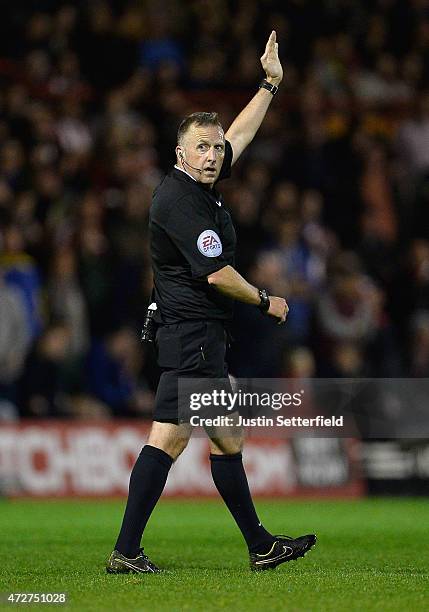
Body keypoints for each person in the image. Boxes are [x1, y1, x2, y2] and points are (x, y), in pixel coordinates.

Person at [107, 32, 316, 574]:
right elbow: (219, 274)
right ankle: (127, 551)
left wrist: (271, 83)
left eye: (216, 147)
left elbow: (240, 134)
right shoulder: (178, 200)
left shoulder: (198, 183)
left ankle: (260, 547)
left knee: (225, 436)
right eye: (202, 146)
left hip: (195, 334)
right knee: (173, 438)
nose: (214, 153)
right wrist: (265, 299)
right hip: (192, 332)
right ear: (181, 152)